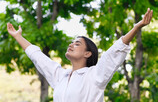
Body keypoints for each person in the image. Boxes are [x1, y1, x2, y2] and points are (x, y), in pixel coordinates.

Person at [7, 8, 153, 102]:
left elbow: (113, 52)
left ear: (87, 53)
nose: (71, 45)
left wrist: (136, 27)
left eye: (77, 44)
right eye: (72, 43)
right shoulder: (60, 76)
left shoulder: (95, 76)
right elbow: (37, 57)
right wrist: (18, 36)